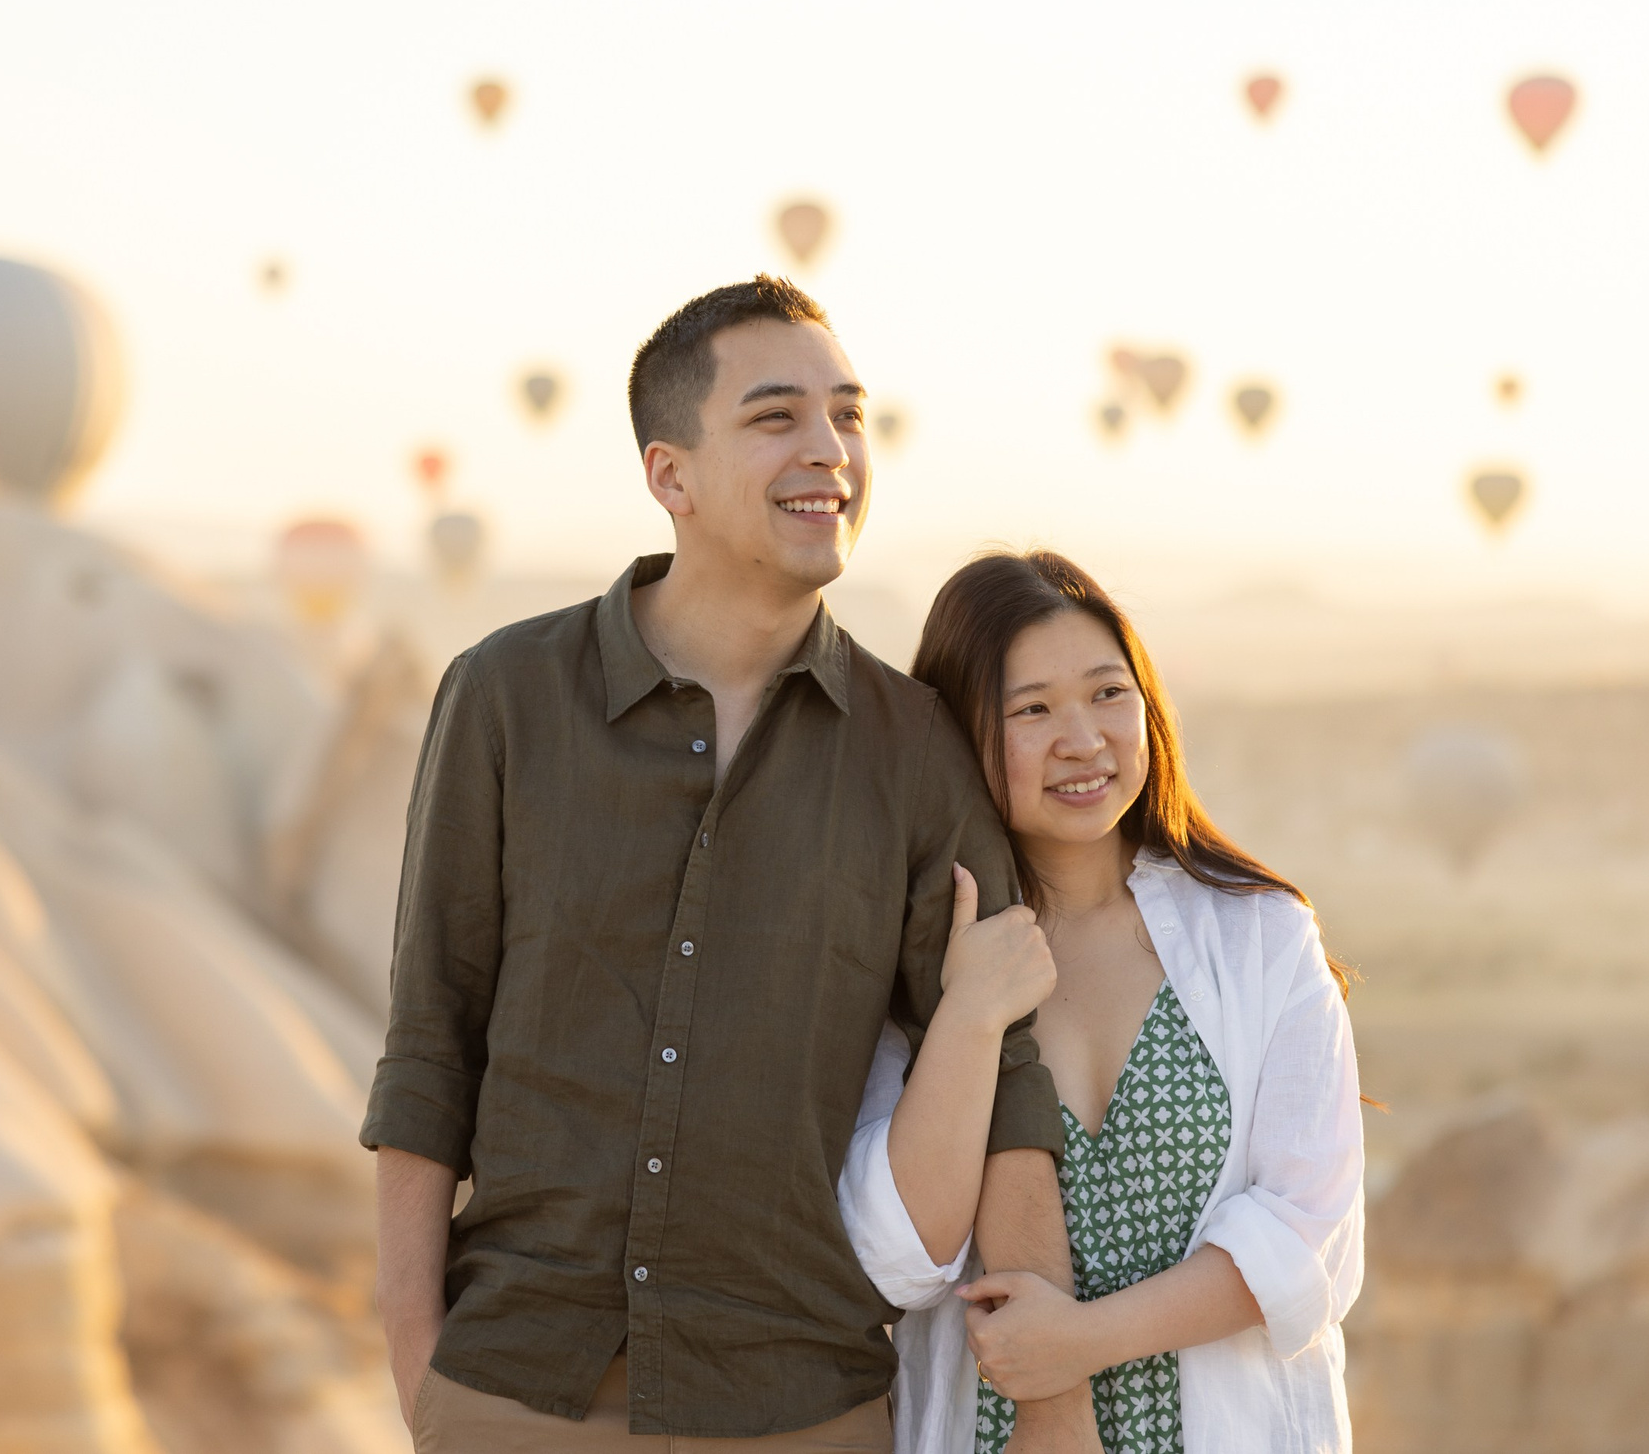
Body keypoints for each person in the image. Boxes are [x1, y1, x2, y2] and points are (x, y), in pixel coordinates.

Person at [364, 278, 1106, 1451]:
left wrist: (1055, 1417)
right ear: (671, 476)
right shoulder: (505, 697)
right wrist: (417, 1358)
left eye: (848, 416)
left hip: (798, 1408)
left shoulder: (916, 749)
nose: (829, 450)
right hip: (512, 1390)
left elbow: (1007, 1081)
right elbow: (429, 1039)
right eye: (776, 418)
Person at [837, 551, 1363, 1454]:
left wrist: (1078, 1344)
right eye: (1032, 708)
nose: (1083, 739)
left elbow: (1304, 1240)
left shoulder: (1262, 939)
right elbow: (894, 1256)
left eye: (1108, 694)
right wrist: (966, 1016)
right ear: (961, 737)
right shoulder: (914, 962)